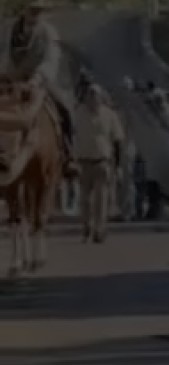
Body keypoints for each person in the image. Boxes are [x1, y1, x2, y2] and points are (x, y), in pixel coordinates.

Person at [9, 0, 76, 178]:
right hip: (13, 81)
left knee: (65, 108)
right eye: (32, 10)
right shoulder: (12, 31)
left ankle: (69, 154)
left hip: (40, 81)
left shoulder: (48, 32)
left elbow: (51, 58)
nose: (36, 14)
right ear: (23, 10)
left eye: (39, 10)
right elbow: (5, 56)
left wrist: (37, 78)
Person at [71, 85, 123, 244]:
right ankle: (86, 227)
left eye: (95, 96)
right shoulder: (78, 113)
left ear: (101, 97)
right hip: (83, 162)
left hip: (102, 162)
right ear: (85, 97)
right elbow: (70, 135)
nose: (92, 98)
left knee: (101, 200)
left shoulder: (109, 115)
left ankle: (99, 230)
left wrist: (118, 165)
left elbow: (118, 140)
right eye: (89, 95)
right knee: (84, 200)